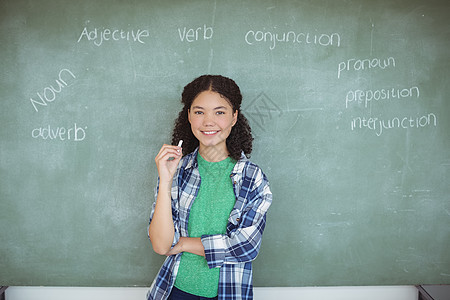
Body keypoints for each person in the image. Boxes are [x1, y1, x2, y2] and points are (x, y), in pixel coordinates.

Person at [147, 75, 272, 300]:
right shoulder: (175, 170)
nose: (208, 121)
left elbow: (245, 246)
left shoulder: (252, 177)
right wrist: (165, 180)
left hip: (228, 293)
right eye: (199, 112)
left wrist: (184, 243)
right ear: (189, 116)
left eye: (220, 112)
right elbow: (161, 244)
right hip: (173, 291)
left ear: (234, 117)